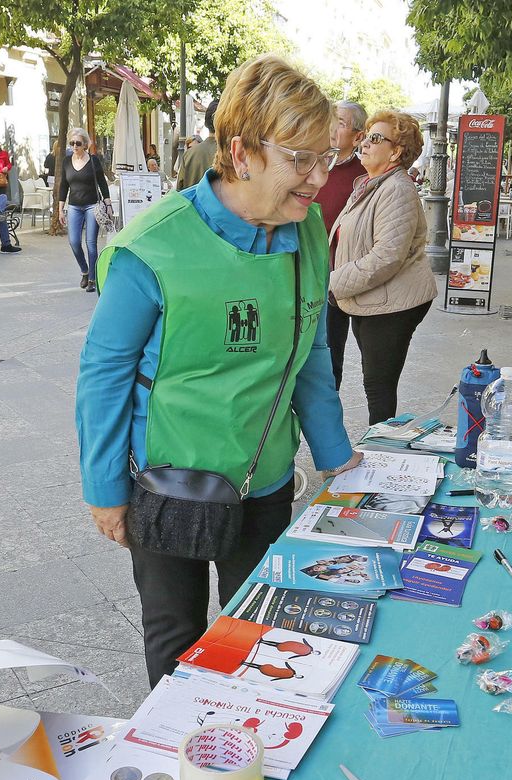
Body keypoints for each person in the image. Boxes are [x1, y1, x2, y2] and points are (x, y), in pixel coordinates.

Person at [76, 55, 361, 684]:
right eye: (301, 159)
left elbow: (308, 348)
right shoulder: (154, 246)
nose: (318, 178)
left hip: (263, 477)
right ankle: (182, 764)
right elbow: (104, 372)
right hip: (169, 482)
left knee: (254, 634)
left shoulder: (307, 229)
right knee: (177, 637)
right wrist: (104, 490)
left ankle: (244, 751)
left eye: (327, 157)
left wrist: (335, 454)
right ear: (243, 152)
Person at [328, 111, 437, 425]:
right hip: (371, 300)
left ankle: (384, 457)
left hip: (393, 303)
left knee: (378, 388)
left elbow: (386, 258)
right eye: (365, 135)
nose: (364, 142)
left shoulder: (397, 190)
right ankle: (382, 452)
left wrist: (330, 283)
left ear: (396, 151)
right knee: (375, 385)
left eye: (375, 138)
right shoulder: (370, 184)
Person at [316, 100, 367, 388]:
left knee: (329, 354)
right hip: (298, 266)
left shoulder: (363, 176)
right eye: (332, 119)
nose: (334, 127)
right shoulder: (311, 162)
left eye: (342, 123)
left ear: (358, 136)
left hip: (337, 277)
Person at [55, 129, 109, 291]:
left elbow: (102, 183)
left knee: (91, 243)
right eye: (72, 143)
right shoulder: (66, 161)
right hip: (74, 206)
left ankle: (92, 278)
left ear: (85, 144)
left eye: (78, 143)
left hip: (92, 205)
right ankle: (84, 270)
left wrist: (109, 204)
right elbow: (63, 185)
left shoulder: (93, 161)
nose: (74, 146)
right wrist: (60, 209)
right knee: (74, 242)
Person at [177, 95, 220, 190]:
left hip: (192, 203)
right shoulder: (232, 154)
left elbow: (179, 189)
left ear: (206, 123)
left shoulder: (189, 154)